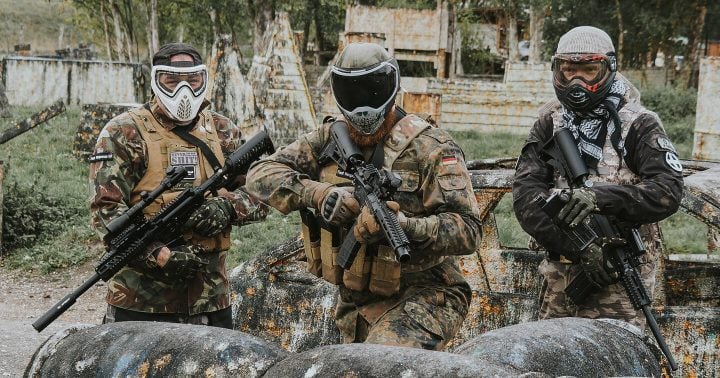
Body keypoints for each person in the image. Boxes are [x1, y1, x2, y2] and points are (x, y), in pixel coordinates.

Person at [245, 42, 482, 350]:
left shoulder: (432, 148)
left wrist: (406, 226)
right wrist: (318, 194)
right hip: (356, 298)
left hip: (427, 293)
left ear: (392, 86)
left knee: (377, 365)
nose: (362, 104)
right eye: (352, 92)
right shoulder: (328, 138)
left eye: (371, 89)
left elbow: (469, 230)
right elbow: (259, 175)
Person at [512, 26, 684, 328]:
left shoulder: (638, 125)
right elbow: (526, 200)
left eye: (589, 70)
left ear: (608, 69)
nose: (576, 81)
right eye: (568, 71)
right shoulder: (549, 124)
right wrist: (581, 247)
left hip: (620, 281)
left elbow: (668, 190)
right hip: (559, 280)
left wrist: (599, 198)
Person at [88, 43, 268, 329]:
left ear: (203, 80)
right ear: (156, 80)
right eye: (171, 80)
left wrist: (228, 207)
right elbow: (105, 211)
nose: (183, 89)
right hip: (141, 303)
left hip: (211, 300)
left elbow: (262, 192)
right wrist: (158, 254)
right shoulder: (124, 132)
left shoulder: (223, 131)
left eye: (192, 80)